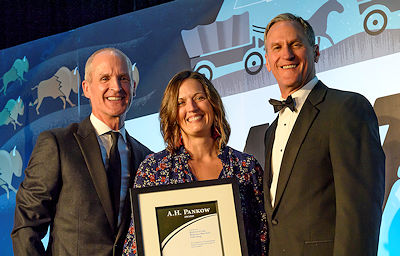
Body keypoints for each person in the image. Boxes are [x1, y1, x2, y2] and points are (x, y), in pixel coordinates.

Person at [245, 13, 385, 255]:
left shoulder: (346, 108)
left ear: (316, 52)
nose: (286, 54)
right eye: (276, 47)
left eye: (296, 44)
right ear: (268, 61)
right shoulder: (272, 131)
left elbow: (360, 213)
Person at [11, 48, 152, 256]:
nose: (116, 87)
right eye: (105, 78)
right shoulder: (58, 144)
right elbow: (26, 226)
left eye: (123, 78)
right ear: (86, 88)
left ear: (133, 86)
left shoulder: (146, 159)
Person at [122, 71, 267, 256]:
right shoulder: (154, 169)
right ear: (172, 113)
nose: (191, 108)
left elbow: (263, 237)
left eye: (199, 98)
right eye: (180, 102)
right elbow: (136, 246)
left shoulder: (246, 167)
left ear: (213, 104)